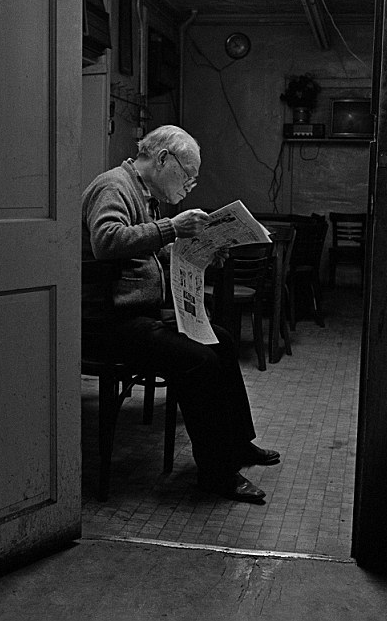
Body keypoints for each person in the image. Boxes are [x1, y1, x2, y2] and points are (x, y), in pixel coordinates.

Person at [81, 125, 279, 503]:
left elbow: (144, 254)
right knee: (198, 361)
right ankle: (217, 474)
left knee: (221, 340)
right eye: (188, 174)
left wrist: (199, 253)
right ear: (162, 159)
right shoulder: (114, 186)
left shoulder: (145, 195)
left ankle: (237, 445)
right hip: (107, 322)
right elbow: (106, 241)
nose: (190, 184)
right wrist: (171, 228)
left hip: (138, 315)